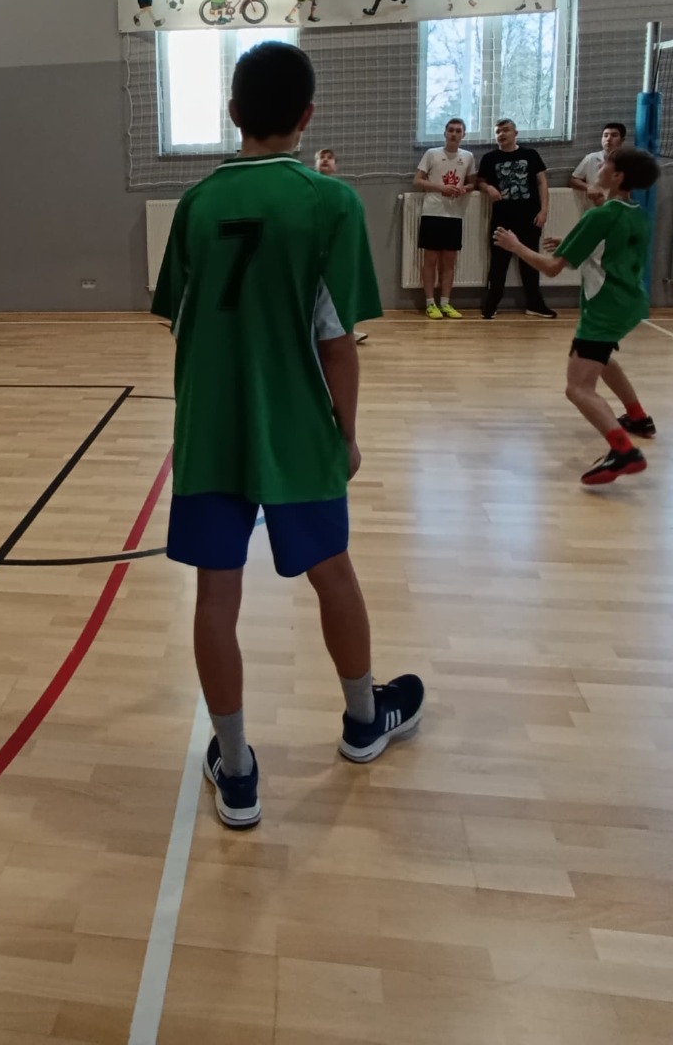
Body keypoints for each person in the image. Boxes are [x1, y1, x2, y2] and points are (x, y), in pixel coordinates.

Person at [152, 41, 421, 830]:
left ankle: (236, 769)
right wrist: (346, 431)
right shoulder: (330, 202)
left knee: (215, 594)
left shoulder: (196, 205)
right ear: (308, 116)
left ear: (232, 112)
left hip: (210, 428)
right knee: (333, 573)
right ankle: (364, 721)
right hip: (297, 424)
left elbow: (180, 319)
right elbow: (337, 338)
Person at [493, 146, 662, 486]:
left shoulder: (601, 215)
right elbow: (608, 247)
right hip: (630, 302)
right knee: (603, 358)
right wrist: (574, 241)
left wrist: (516, 246)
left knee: (578, 388)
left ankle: (623, 451)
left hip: (605, 307)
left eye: (607, 163)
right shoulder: (637, 214)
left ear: (617, 176)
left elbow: (552, 268)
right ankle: (638, 418)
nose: (601, 165)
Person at [478, 117, 556, 319]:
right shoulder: (489, 158)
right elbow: (480, 181)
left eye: (505, 130)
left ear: (515, 133)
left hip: (530, 217)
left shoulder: (530, 155)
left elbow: (542, 183)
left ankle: (535, 305)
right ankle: (491, 305)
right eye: (498, 131)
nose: (501, 134)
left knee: (530, 262)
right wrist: (488, 188)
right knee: (499, 263)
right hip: (503, 218)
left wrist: (544, 210)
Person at [414, 118, 474, 319]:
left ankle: (446, 303)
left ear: (463, 135)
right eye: (451, 130)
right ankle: (430, 303)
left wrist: (464, 189)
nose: (454, 134)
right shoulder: (432, 153)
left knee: (449, 262)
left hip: (454, 214)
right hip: (432, 212)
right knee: (430, 260)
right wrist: (441, 188)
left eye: (458, 131)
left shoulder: (468, 157)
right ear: (445, 133)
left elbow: (473, 183)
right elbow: (417, 180)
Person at [314, 149, 366, 343]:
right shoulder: (309, 188)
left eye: (330, 158)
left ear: (335, 166)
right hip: (314, 249)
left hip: (333, 250)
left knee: (339, 293)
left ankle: (345, 330)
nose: (325, 160)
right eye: (322, 157)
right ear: (315, 164)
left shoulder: (342, 192)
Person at [570, 121, 628, 211]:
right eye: (605, 135)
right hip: (594, 208)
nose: (608, 139)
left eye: (614, 135)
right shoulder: (591, 158)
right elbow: (573, 180)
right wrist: (589, 187)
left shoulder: (627, 161)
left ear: (622, 140)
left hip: (618, 209)